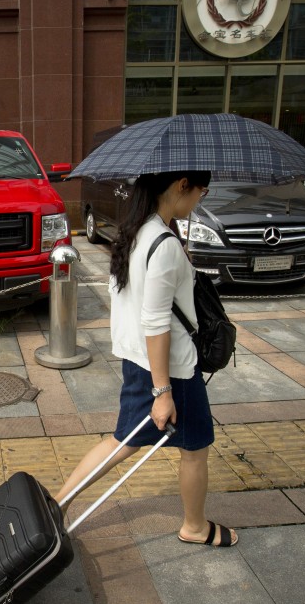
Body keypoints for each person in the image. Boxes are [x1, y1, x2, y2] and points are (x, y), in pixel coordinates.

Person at [55, 170, 237, 547]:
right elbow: (156, 321)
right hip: (171, 370)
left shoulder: (135, 232)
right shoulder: (163, 242)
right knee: (195, 449)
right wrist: (163, 391)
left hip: (138, 359)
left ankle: (58, 504)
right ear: (182, 185)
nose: (201, 199)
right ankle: (195, 527)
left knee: (123, 441)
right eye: (202, 190)